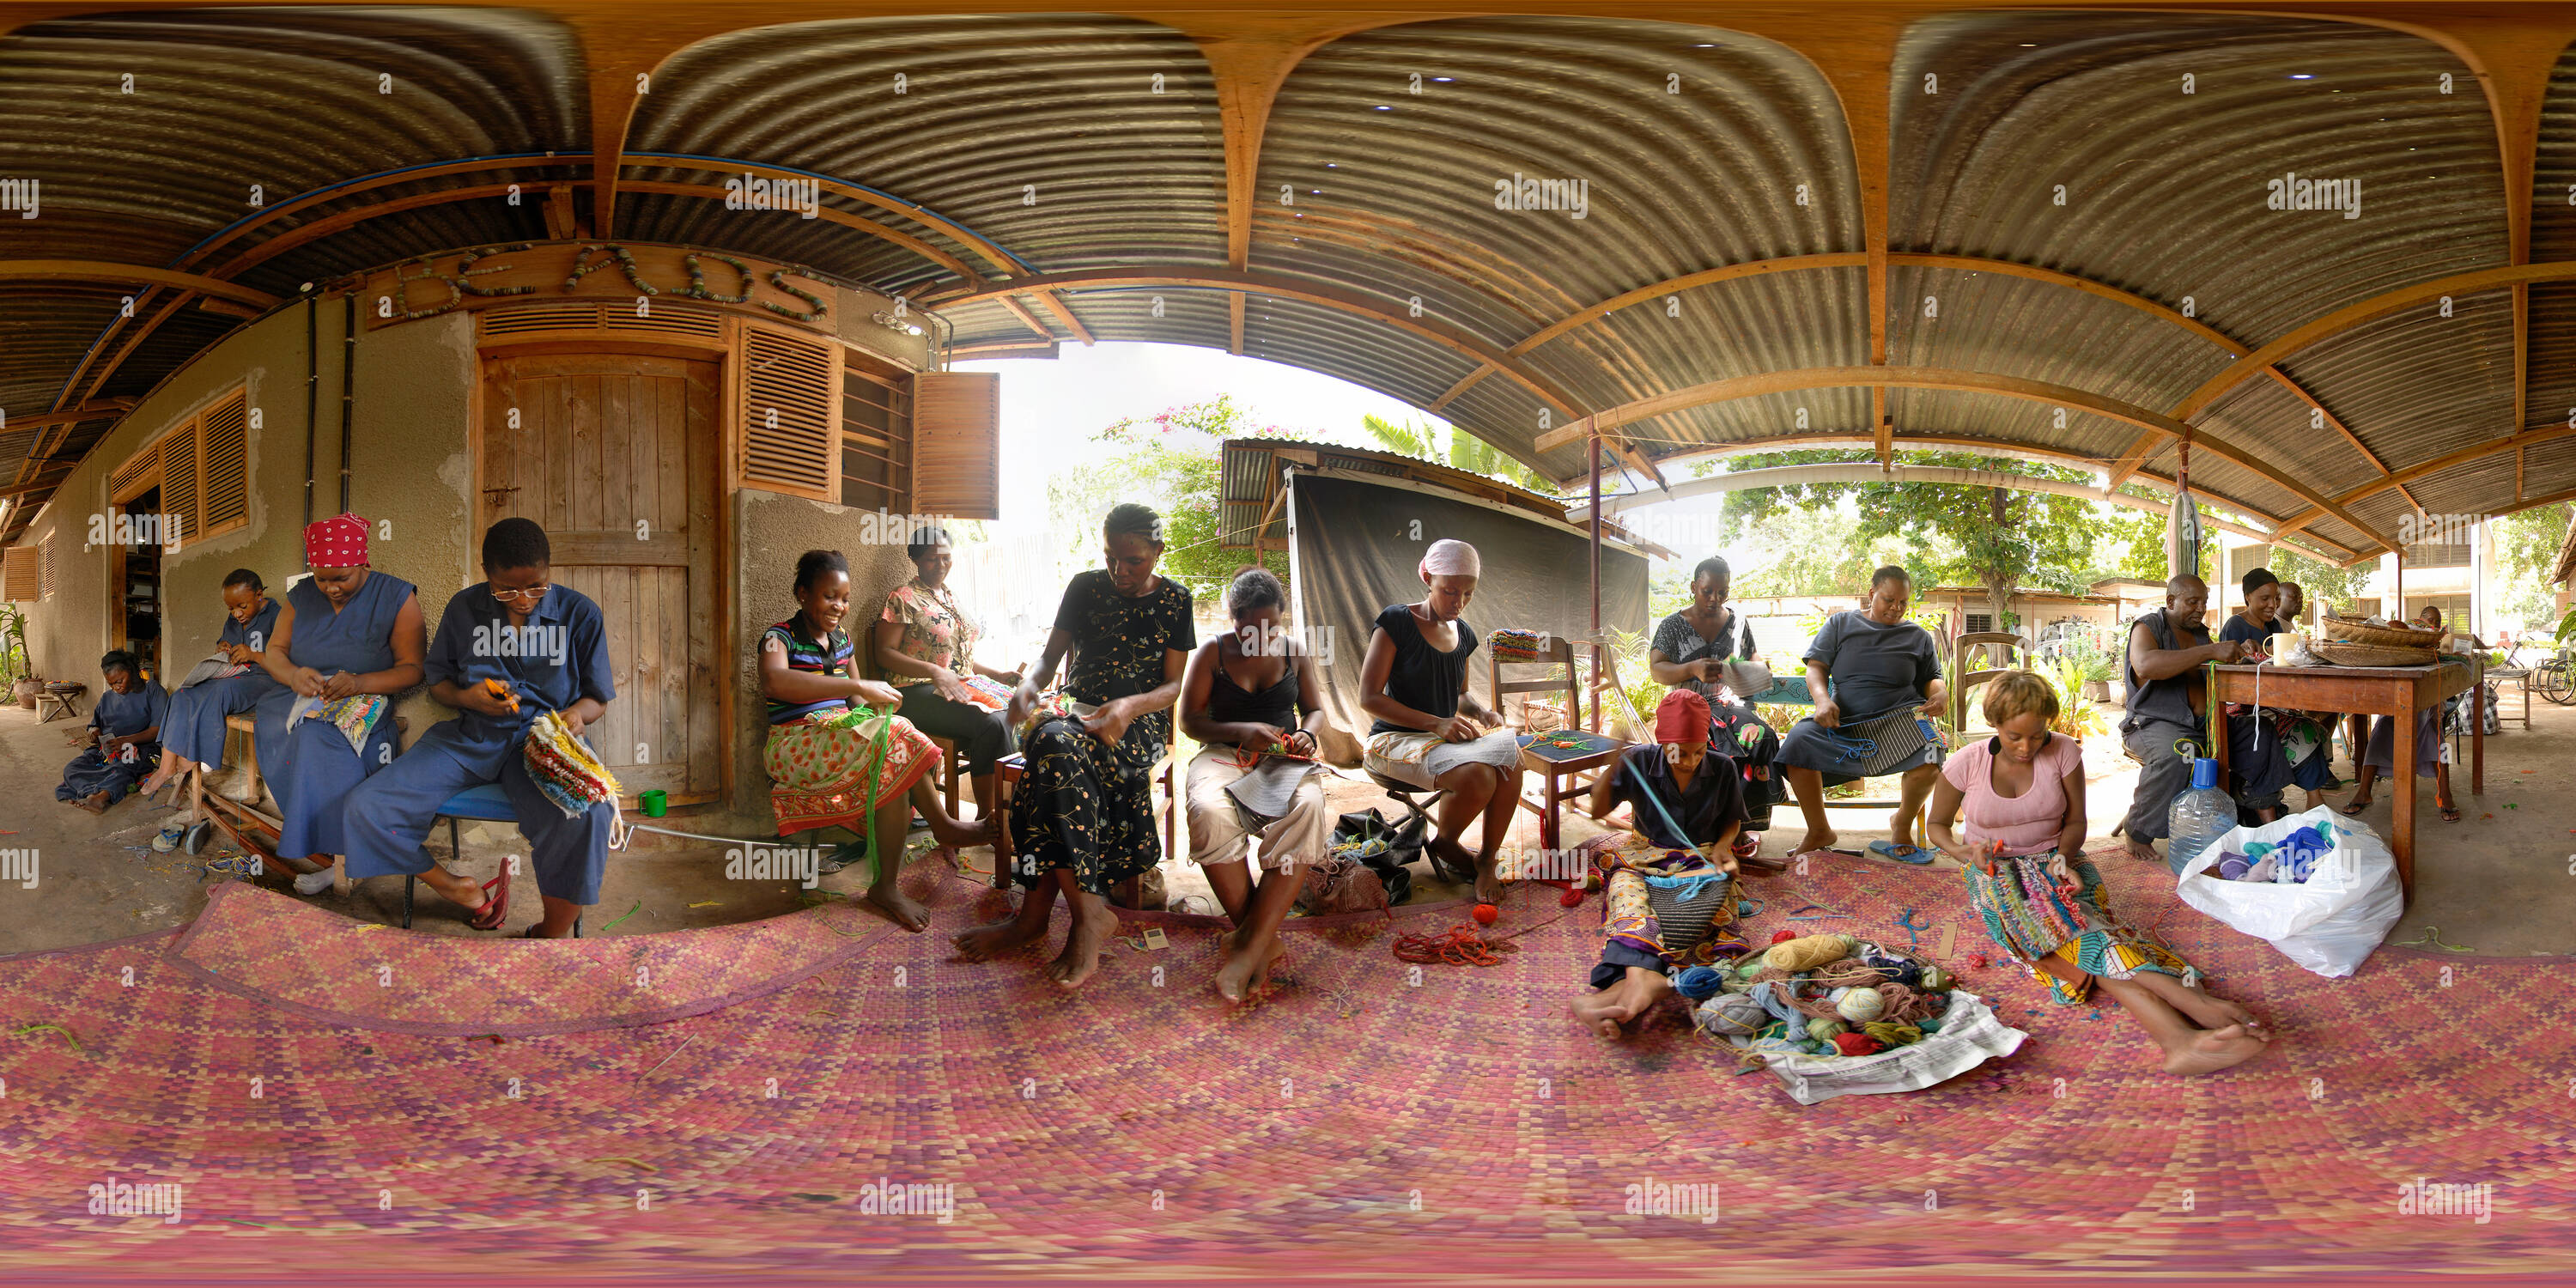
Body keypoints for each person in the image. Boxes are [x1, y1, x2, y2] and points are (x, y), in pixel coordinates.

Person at [1927, 671, 2270, 1076]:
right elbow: (1937, 827)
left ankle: (2181, 1036)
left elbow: (2075, 824)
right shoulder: (1965, 763)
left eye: (2037, 735)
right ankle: (2189, 1007)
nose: (2027, 747)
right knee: (2075, 930)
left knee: (2082, 924)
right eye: (2014, 736)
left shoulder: (2063, 753)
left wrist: (2064, 859)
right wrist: (1964, 851)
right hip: (1996, 872)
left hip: (2058, 860)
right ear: (1994, 724)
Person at [341, 520, 623, 935]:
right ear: (486, 571)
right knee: (366, 806)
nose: (523, 600)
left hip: (541, 744)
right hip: (470, 739)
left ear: (548, 570)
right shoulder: (464, 608)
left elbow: (597, 698)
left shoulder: (580, 613)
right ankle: (458, 889)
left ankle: (553, 929)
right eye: (507, 589)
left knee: (587, 814)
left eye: (536, 587)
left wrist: (577, 716)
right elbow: (438, 682)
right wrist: (467, 698)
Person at [954, 503, 1194, 988]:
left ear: (1157, 552)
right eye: (1110, 558)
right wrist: (1028, 687)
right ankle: (1087, 913)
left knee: (1050, 756)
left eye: (1133, 561)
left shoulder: (1175, 601)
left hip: (1135, 725)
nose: (1119, 571)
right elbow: (1047, 661)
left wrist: (1127, 707)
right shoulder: (1085, 587)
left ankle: (1035, 920)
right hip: (1076, 713)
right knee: (1053, 741)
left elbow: (1172, 688)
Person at [750, 549, 993, 932]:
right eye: (829, 596)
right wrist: (859, 686)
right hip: (793, 743)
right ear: (802, 594)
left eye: (845, 599)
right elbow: (775, 682)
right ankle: (942, 827)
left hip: (841, 734)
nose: (839, 606)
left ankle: (885, 887)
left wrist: (872, 707)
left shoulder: (843, 639)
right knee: (893, 735)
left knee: (893, 743)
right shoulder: (777, 638)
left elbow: (858, 702)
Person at [1178, 567, 1334, 1003]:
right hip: (1224, 754)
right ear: (1234, 617)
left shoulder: (1295, 652)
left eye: (1273, 627)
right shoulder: (1211, 653)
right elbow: (1190, 721)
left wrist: (1310, 733)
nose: (1264, 637)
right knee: (1208, 810)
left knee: (1308, 808)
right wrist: (1242, 730)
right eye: (1253, 628)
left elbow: (1316, 711)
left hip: (1283, 757)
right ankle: (1262, 943)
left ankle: (1245, 949)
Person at [252, 515, 424, 896]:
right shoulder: (300, 597)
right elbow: (275, 651)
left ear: (364, 564)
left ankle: (342, 856)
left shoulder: (398, 597)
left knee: (321, 737)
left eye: (341, 578)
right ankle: (331, 846)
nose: (330, 588)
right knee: (287, 728)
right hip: (299, 692)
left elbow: (413, 669)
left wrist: (361, 682)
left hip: (366, 692)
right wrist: (294, 675)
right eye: (321, 578)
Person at [1570, 689, 1747, 1041]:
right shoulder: (1636, 761)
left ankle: (1625, 988)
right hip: (1645, 855)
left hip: (1701, 856)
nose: (1689, 760)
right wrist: (1613, 764)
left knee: (1712, 908)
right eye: (1679, 752)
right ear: (1661, 742)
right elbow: (1598, 811)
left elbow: (1733, 820)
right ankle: (1645, 980)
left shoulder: (1724, 767)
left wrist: (1725, 848)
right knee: (1626, 894)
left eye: (1698, 751)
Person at [1355, 538, 1525, 902]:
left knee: (1512, 758)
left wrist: (1480, 712)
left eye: (1468, 594)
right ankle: (1447, 844)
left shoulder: (1463, 634)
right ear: (1428, 578)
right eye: (1449, 591)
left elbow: (1460, 694)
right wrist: (1435, 722)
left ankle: (1486, 860)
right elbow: (1368, 697)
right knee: (1478, 774)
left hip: (1441, 741)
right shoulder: (1397, 622)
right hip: (1392, 741)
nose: (1459, 602)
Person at [1772, 566, 1948, 865]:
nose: (1896, 608)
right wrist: (1822, 701)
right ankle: (1819, 831)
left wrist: (1940, 692)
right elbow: (1815, 667)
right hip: (1846, 722)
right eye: (1888, 600)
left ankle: (1901, 823)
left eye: (1903, 602)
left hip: (1898, 720)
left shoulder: (1917, 636)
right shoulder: (1841, 623)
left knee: (1933, 754)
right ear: (1871, 594)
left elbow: (1932, 676)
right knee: (1796, 744)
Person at [2114, 575, 2282, 866]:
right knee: (2179, 753)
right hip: (2155, 723)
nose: (2200, 608)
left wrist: (2240, 653)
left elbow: (2211, 665)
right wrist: (2209, 651)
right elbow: (2145, 664)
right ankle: (2138, 832)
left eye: (2204, 602)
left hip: (2206, 726)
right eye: (2193, 602)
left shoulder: (2200, 633)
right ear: (2170, 602)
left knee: (2260, 732)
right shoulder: (2148, 626)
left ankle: (2259, 813)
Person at [873, 525, 1022, 824]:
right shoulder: (903, 597)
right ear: (915, 559)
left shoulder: (951, 598)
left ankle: (1021, 809)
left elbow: (958, 659)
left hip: (954, 686)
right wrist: (933, 671)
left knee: (1022, 710)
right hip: (915, 693)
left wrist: (997, 674)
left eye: (946, 558)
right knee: (991, 723)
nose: (941, 565)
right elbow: (884, 653)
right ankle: (989, 818)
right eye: (931, 559)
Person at [1646, 556, 1777, 860]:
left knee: (1762, 736)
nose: (1715, 598)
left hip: (1724, 703)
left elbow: (1754, 661)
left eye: (1723, 592)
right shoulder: (1673, 625)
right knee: (1708, 747)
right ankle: (1705, 827)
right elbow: (1656, 670)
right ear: (1694, 587)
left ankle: (1741, 822)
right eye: (1708, 591)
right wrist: (1691, 668)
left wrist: (1752, 668)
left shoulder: (1737, 623)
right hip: (1684, 705)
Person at [137, 569, 285, 801]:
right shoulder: (234, 619)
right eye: (230, 608)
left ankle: (197, 755)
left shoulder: (278, 616)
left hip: (265, 679)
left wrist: (253, 655)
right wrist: (222, 647)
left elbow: (287, 660)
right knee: (183, 694)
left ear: (258, 595)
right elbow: (225, 640)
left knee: (220, 691)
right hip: (235, 674)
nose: (236, 613)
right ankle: (166, 765)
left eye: (242, 606)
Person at [2217, 569, 2336, 811]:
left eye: (2276, 598)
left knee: (2315, 727)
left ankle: (2314, 797)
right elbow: (2226, 677)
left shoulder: (2273, 625)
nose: (2273, 604)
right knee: (2302, 731)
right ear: (2247, 597)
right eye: (2265, 599)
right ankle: (2314, 799)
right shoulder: (2235, 626)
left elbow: (2284, 660)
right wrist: (2243, 653)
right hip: (2243, 709)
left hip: (2271, 702)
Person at [2343, 604, 2468, 823]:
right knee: (2379, 732)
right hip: (2396, 706)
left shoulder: (2436, 648)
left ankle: (2445, 793)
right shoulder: (2407, 639)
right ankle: (2364, 790)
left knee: (2439, 740)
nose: (2433, 625)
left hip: (2428, 711)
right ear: (2419, 621)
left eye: (2437, 623)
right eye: (2429, 620)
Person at [57, 650, 167, 814]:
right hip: (109, 751)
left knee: (123, 768)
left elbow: (158, 730)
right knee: (72, 768)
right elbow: (94, 724)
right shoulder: (107, 698)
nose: (116, 687)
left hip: (141, 749)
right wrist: (94, 732)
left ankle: (101, 797)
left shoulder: (152, 690)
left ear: (131, 671)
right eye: (111, 684)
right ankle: (94, 791)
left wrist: (125, 741)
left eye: (119, 681)